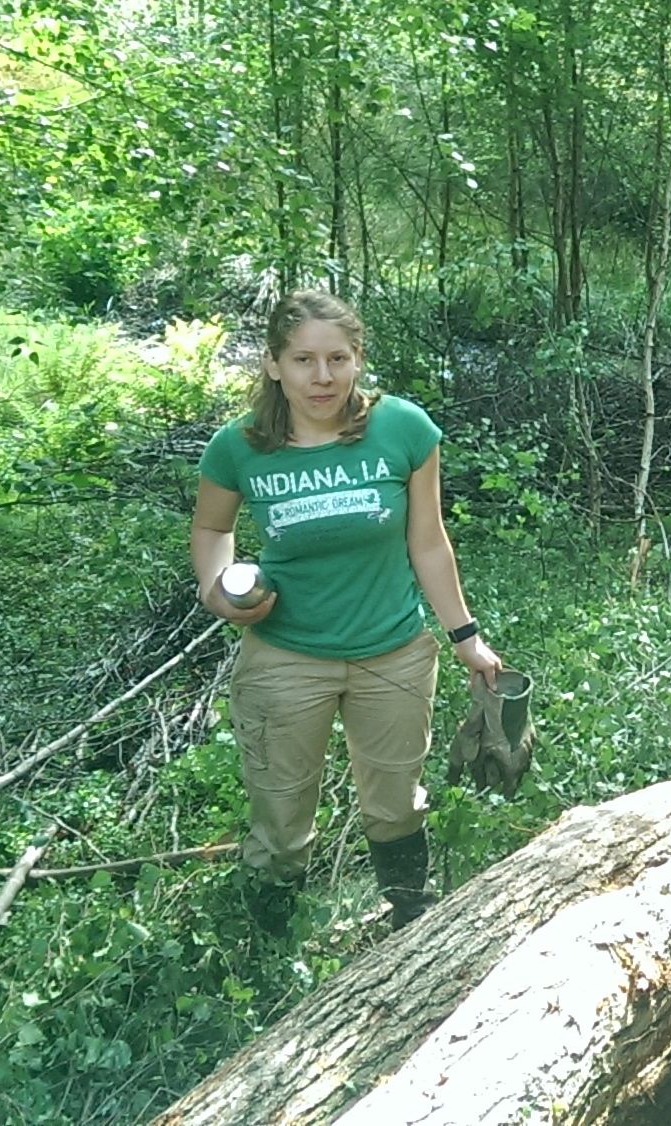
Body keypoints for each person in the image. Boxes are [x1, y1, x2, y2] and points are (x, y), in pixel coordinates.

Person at [192, 290, 503, 935]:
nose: (322, 376)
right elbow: (210, 528)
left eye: (338, 358)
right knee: (281, 811)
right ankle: (269, 945)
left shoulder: (404, 430)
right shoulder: (240, 447)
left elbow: (428, 540)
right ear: (274, 365)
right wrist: (216, 587)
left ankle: (410, 923)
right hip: (285, 654)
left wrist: (465, 637)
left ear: (359, 359)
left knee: (396, 801)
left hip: (392, 651)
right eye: (303, 360)